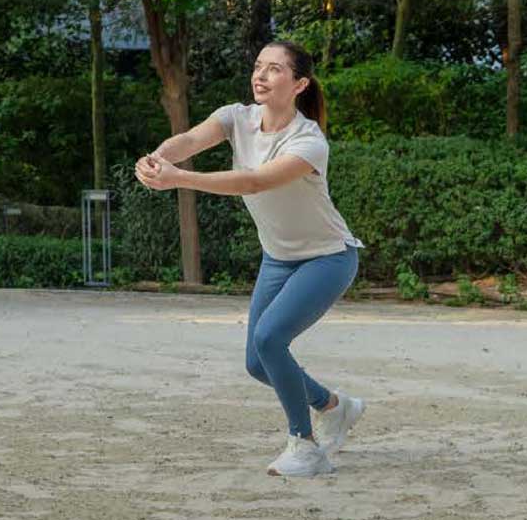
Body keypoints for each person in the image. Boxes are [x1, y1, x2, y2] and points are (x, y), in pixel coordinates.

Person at [135, 40, 364, 479]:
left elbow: (256, 182)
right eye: (258, 66)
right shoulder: (236, 118)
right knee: (258, 363)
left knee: (271, 337)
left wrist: (180, 179)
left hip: (327, 259)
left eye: (274, 69)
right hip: (278, 258)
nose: (260, 75)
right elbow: (188, 139)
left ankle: (306, 446)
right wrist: (159, 158)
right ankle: (334, 407)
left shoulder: (308, 141)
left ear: (299, 84)